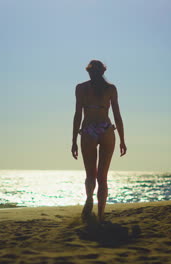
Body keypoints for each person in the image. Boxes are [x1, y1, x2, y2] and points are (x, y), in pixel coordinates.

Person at [71, 60, 127, 222]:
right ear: (103, 72)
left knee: (91, 175)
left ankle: (89, 198)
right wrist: (122, 140)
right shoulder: (110, 89)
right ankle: (101, 216)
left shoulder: (81, 88)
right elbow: (117, 116)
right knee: (102, 177)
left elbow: (77, 115)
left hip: (88, 129)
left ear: (89, 72)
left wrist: (74, 140)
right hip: (106, 129)